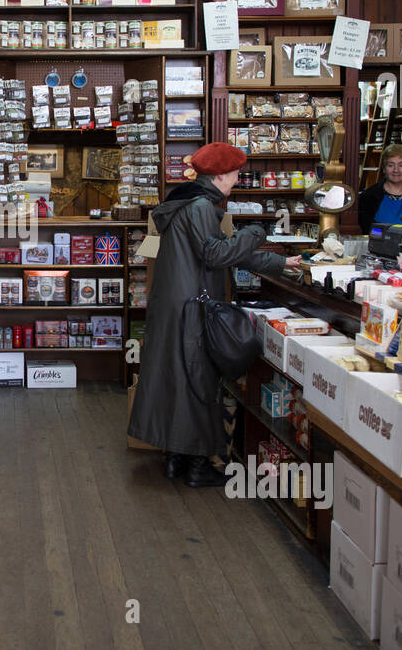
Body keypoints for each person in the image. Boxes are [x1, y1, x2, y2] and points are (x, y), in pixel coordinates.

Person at [128, 143, 302, 488]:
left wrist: (281, 264)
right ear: (221, 174)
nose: (238, 180)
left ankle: (177, 459)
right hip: (194, 308)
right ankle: (197, 466)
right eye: (236, 173)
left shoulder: (182, 204)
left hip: (173, 307)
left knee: (177, 383)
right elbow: (217, 254)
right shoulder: (202, 207)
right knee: (199, 383)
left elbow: (225, 250)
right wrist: (255, 232)